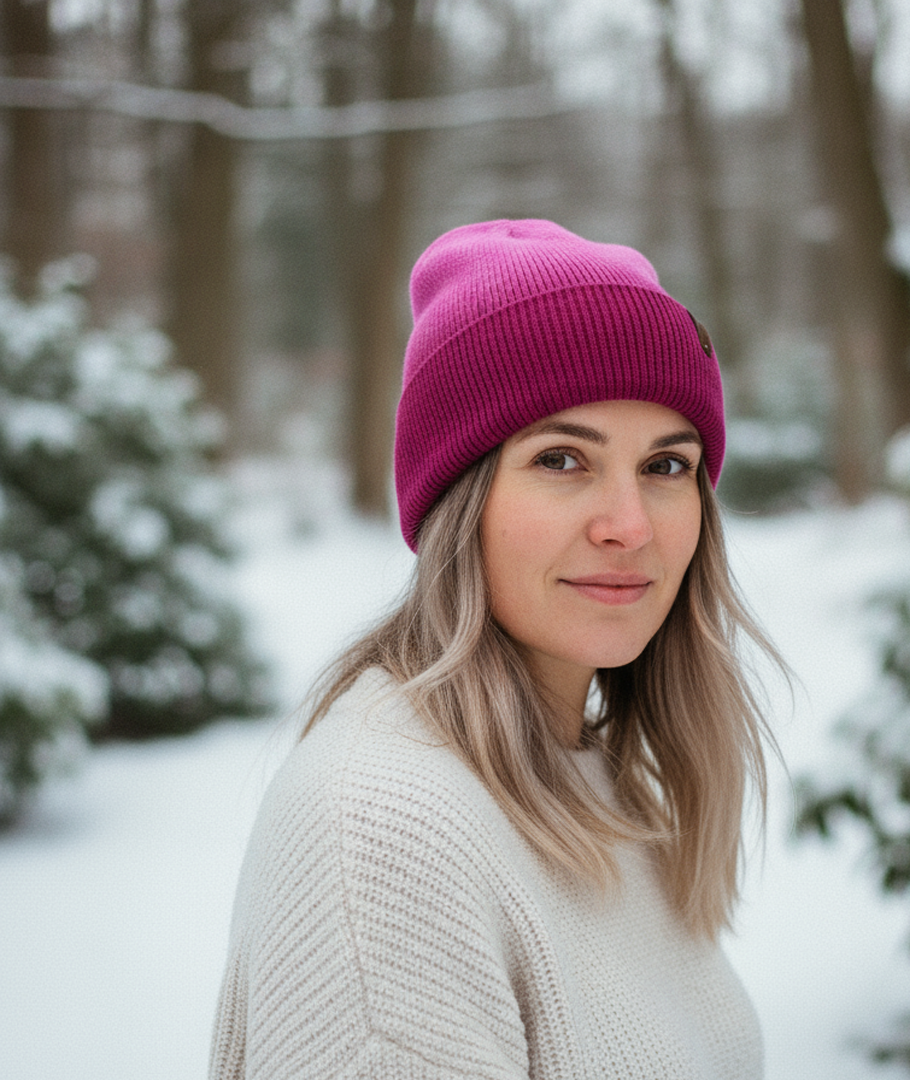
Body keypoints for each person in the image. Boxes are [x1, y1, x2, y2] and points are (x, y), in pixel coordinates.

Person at [209, 219, 781, 1080]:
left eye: (666, 466)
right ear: (458, 502)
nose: (629, 526)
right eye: (561, 459)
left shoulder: (589, 773)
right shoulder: (386, 837)